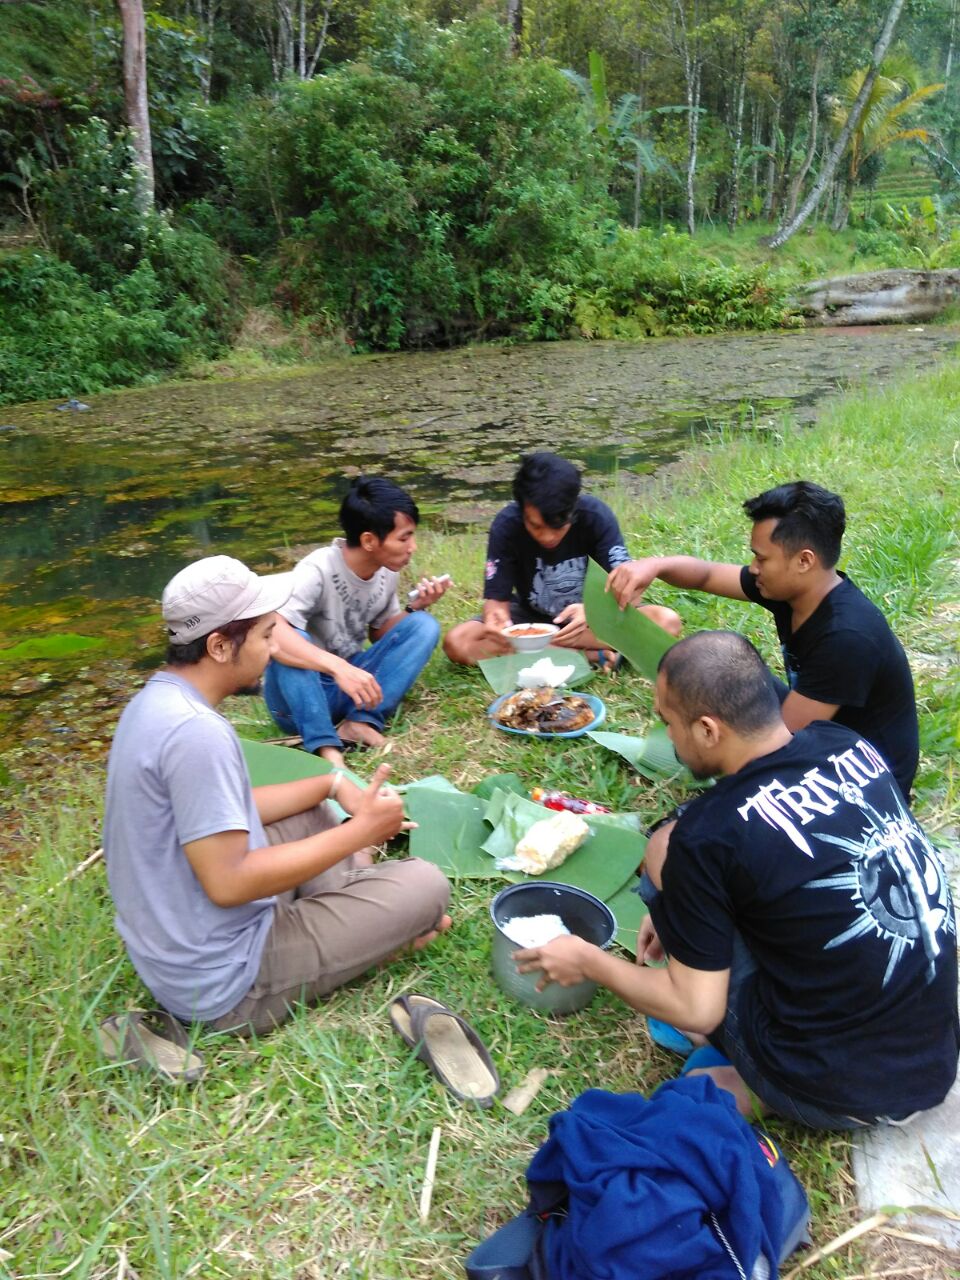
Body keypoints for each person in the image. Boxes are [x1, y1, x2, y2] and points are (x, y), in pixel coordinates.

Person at [515, 631, 958, 1130]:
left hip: (840, 1089)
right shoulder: (846, 744)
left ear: (707, 729)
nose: (669, 738)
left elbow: (696, 1009)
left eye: (668, 724)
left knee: (663, 851)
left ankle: (761, 1087)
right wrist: (687, 912)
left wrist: (588, 960)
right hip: (933, 1057)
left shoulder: (709, 837)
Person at [103, 555, 451, 1035]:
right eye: (267, 635)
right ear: (220, 646)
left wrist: (331, 784)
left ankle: (363, 919)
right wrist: (361, 835)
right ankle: (375, 930)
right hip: (226, 983)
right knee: (428, 884)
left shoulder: (155, 702)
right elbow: (230, 884)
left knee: (311, 810)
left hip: (180, 945)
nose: (273, 648)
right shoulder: (197, 734)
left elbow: (229, 815)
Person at [607, 480, 919, 797]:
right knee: (720, 673)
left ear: (804, 560)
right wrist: (655, 566)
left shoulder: (846, 637)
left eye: (762, 558)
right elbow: (706, 575)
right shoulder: (794, 589)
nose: (754, 568)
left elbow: (778, 745)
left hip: (866, 777)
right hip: (827, 733)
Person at [263, 475, 449, 768]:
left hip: (351, 687)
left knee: (424, 625)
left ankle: (360, 722)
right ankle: (326, 747)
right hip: (298, 700)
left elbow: (380, 632)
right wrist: (337, 667)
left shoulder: (386, 571)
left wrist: (416, 608)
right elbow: (273, 635)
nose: (412, 546)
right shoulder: (317, 569)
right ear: (369, 540)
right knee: (296, 640)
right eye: (404, 537)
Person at [443, 452, 680, 665]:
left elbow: (631, 589)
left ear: (573, 508)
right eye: (535, 526)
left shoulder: (595, 517)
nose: (548, 537)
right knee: (458, 642)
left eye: (558, 526)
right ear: (521, 507)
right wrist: (497, 621)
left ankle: (544, 655)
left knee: (666, 622)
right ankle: (586, 656)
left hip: (594, 621)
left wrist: (594, 611)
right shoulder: (507, 526)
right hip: (531, 623)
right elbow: (496, 604)